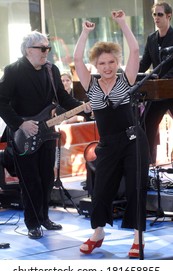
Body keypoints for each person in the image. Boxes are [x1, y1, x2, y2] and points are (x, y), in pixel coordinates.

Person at [0, 30, 91, 239]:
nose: (46, 52)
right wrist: (21, 124)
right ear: (27, 50)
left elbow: (63, 98)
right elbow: (1, 101)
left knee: (47, 178)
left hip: (47, 132)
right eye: (42, 48)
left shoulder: (52, 70)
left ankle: (43, 217)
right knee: (30, 181)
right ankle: (32, 223)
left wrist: (81, 107)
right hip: (23, 135)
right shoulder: (13, 71)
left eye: (47, 48)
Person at [74, 10, 149, 258]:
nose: (107, 67)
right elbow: (76, 58)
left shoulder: (125, 80)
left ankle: (138, 238)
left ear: (117, 63)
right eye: (102, 63)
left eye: (111, 62)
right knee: (101, 189)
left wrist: (122, 24)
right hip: (108, 144)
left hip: (133, 141)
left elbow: (136, 52)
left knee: (136, 189)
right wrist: (85, 32)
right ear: (96, 65)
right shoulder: (91, 84)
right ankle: (98, 232)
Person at [139, 1, 173, 164]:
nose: (156, 18)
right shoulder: (151, 39)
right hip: (157, 91)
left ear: (168, 16)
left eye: (160, 14)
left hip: (170, 88)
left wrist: (164, 79)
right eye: (154, 14)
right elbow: (144, 63)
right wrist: (130, 74)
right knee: (146, 125)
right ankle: (148, 164)